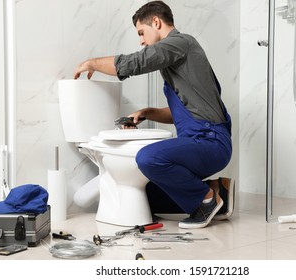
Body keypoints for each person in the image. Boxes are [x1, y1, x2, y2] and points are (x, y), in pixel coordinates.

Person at [74, 1, 234, 229]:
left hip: (210, 141)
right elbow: (187, 114)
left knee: (148, 158)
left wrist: (92, 62)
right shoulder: (177, 57)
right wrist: (147, 113)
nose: (141, 40)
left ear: (156, 22)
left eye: (141, 32)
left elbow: (137, 62)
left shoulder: (180, 43)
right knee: (150, 195)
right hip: (198, 139)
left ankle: (205, 199)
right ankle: (219, 191)